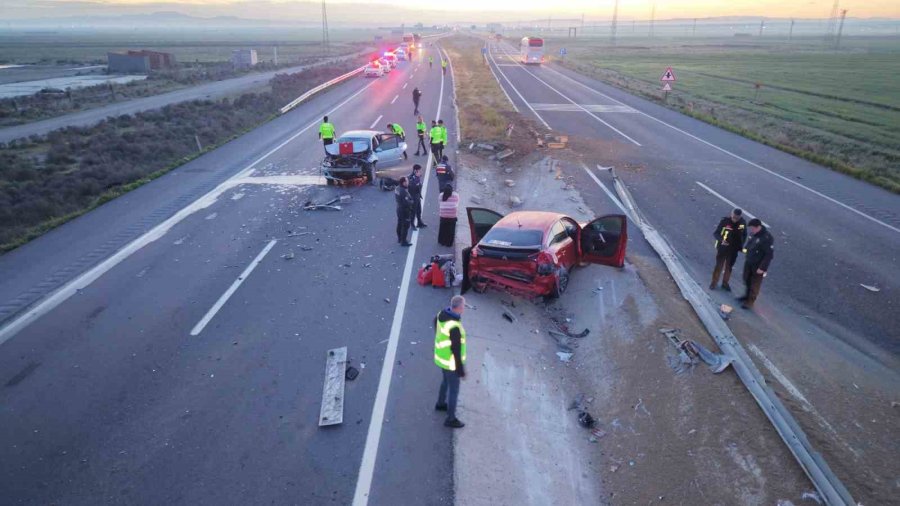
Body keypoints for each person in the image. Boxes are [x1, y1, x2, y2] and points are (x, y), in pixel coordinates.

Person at [434, 295, 467, 428]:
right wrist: (461, 370)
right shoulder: (454, 327)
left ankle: (440, 404)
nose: (464, 309)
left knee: (445, 382)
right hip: (451, 363)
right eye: (464, 306)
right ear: (458, 308)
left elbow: (434, 324)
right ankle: (451, 418)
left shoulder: (441, 314)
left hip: (442, 358)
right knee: (454, 390)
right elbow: (456, 350)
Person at [739, 218, 774, 309]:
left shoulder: (766, 238)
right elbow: (750, 243)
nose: (752, 230)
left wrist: (762, 268)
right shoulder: (754, 234)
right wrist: (745, 250)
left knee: (755, 284)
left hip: (758, 265)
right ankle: (746, 296)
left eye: (753, 228)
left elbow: (769, 255)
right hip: (749, 261)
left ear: (758, 227)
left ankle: (750, 301)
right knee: (746, 279)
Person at [710, 208, 747, 291]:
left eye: (737, 218)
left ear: (740, 217)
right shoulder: (725, 221)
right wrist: (721, 240)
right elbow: (716, 233)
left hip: (734, 250)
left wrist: (741, 245)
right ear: (731, 214)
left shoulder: (742, 223)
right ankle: (714, 282)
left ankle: (725, 283)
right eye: (733, 217)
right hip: (723, 248)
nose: (734, 220)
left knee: (729, 267)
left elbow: (744, 235)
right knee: (719, 266)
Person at [395, 177, 414, 247]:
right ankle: (404, 241)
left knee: (399, 224)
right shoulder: (403, 191)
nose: (408, 182)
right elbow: (407, 202)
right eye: (407, 181)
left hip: (399, 209)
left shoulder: (397, 188)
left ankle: (399, 238)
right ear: (404, 183)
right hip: (404, 210)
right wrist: (412, 201)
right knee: (405, 226)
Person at [408, 164, 427, 229]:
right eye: (419, 171)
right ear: (415, 171)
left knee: (419, 210)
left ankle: (419, 222)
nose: (420, 172)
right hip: (413, 197)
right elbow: (411, 188)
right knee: (413, 211)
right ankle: (412, 224)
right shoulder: (411, 178)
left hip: (417, 196)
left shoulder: (417, 176)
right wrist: (418, 184)